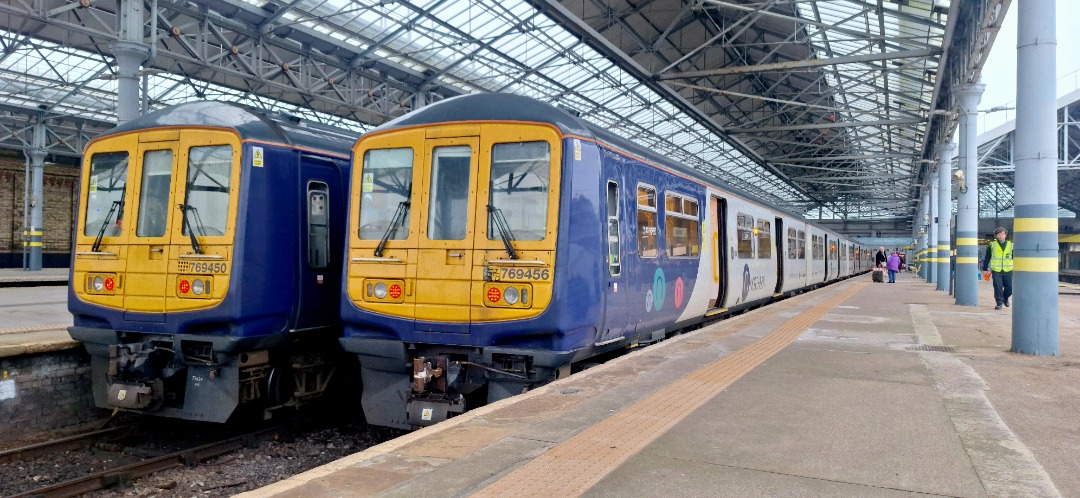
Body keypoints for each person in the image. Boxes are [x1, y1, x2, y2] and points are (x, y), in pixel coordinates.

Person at [980, 227, 1014, 310]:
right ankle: (999, 302)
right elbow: (987, 257)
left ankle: (1005, 297)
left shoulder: (1011, 245)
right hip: (996, 270)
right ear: (996, 236)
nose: (1001, 236)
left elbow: (1015, 257)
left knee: (1010, 288)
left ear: (1005, 235)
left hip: (1008, 270)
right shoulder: (992, 245)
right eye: (999, 234)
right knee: (997, 286)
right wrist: (985, 269)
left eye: (1003, 234)